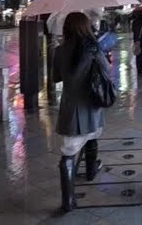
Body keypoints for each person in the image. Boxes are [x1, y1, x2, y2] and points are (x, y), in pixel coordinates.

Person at [53, 12, 107, 212]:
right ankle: (91, 170)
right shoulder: (94, 48)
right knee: (92, 136)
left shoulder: (59, 51)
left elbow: (56, 78)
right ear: (86, 27)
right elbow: (106, 71)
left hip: (71, 110)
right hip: (92, 107)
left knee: (68, 153)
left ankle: (69, 200)